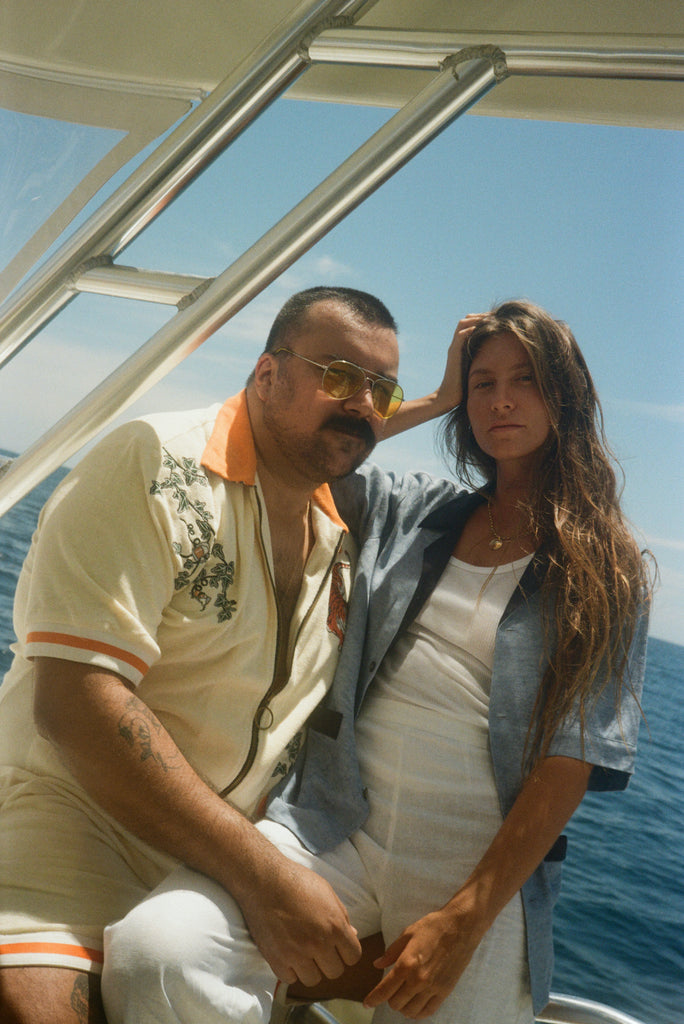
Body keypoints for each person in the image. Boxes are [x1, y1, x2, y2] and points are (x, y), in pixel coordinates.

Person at [101, 300, 652, 1024]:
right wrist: (435, 398)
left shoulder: (606, 570)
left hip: (475, 864)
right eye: (482, 383)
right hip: (336, 824)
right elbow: (303, 448)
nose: (501, 399)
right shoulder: (413, 511)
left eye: (526, 379)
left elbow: (569, 760)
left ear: (566, 397)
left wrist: (466, 918)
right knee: (157, 953)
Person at [0, 285, 467, 1024]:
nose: (363, 403)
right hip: (77, 831)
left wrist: (441, 400)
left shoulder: (339, 533)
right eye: (340, 375)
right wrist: (266, 881)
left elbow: (346, 429)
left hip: (206, 877)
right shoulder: (154, 467)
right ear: (266, 373)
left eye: (382, 389)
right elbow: (78, 705)